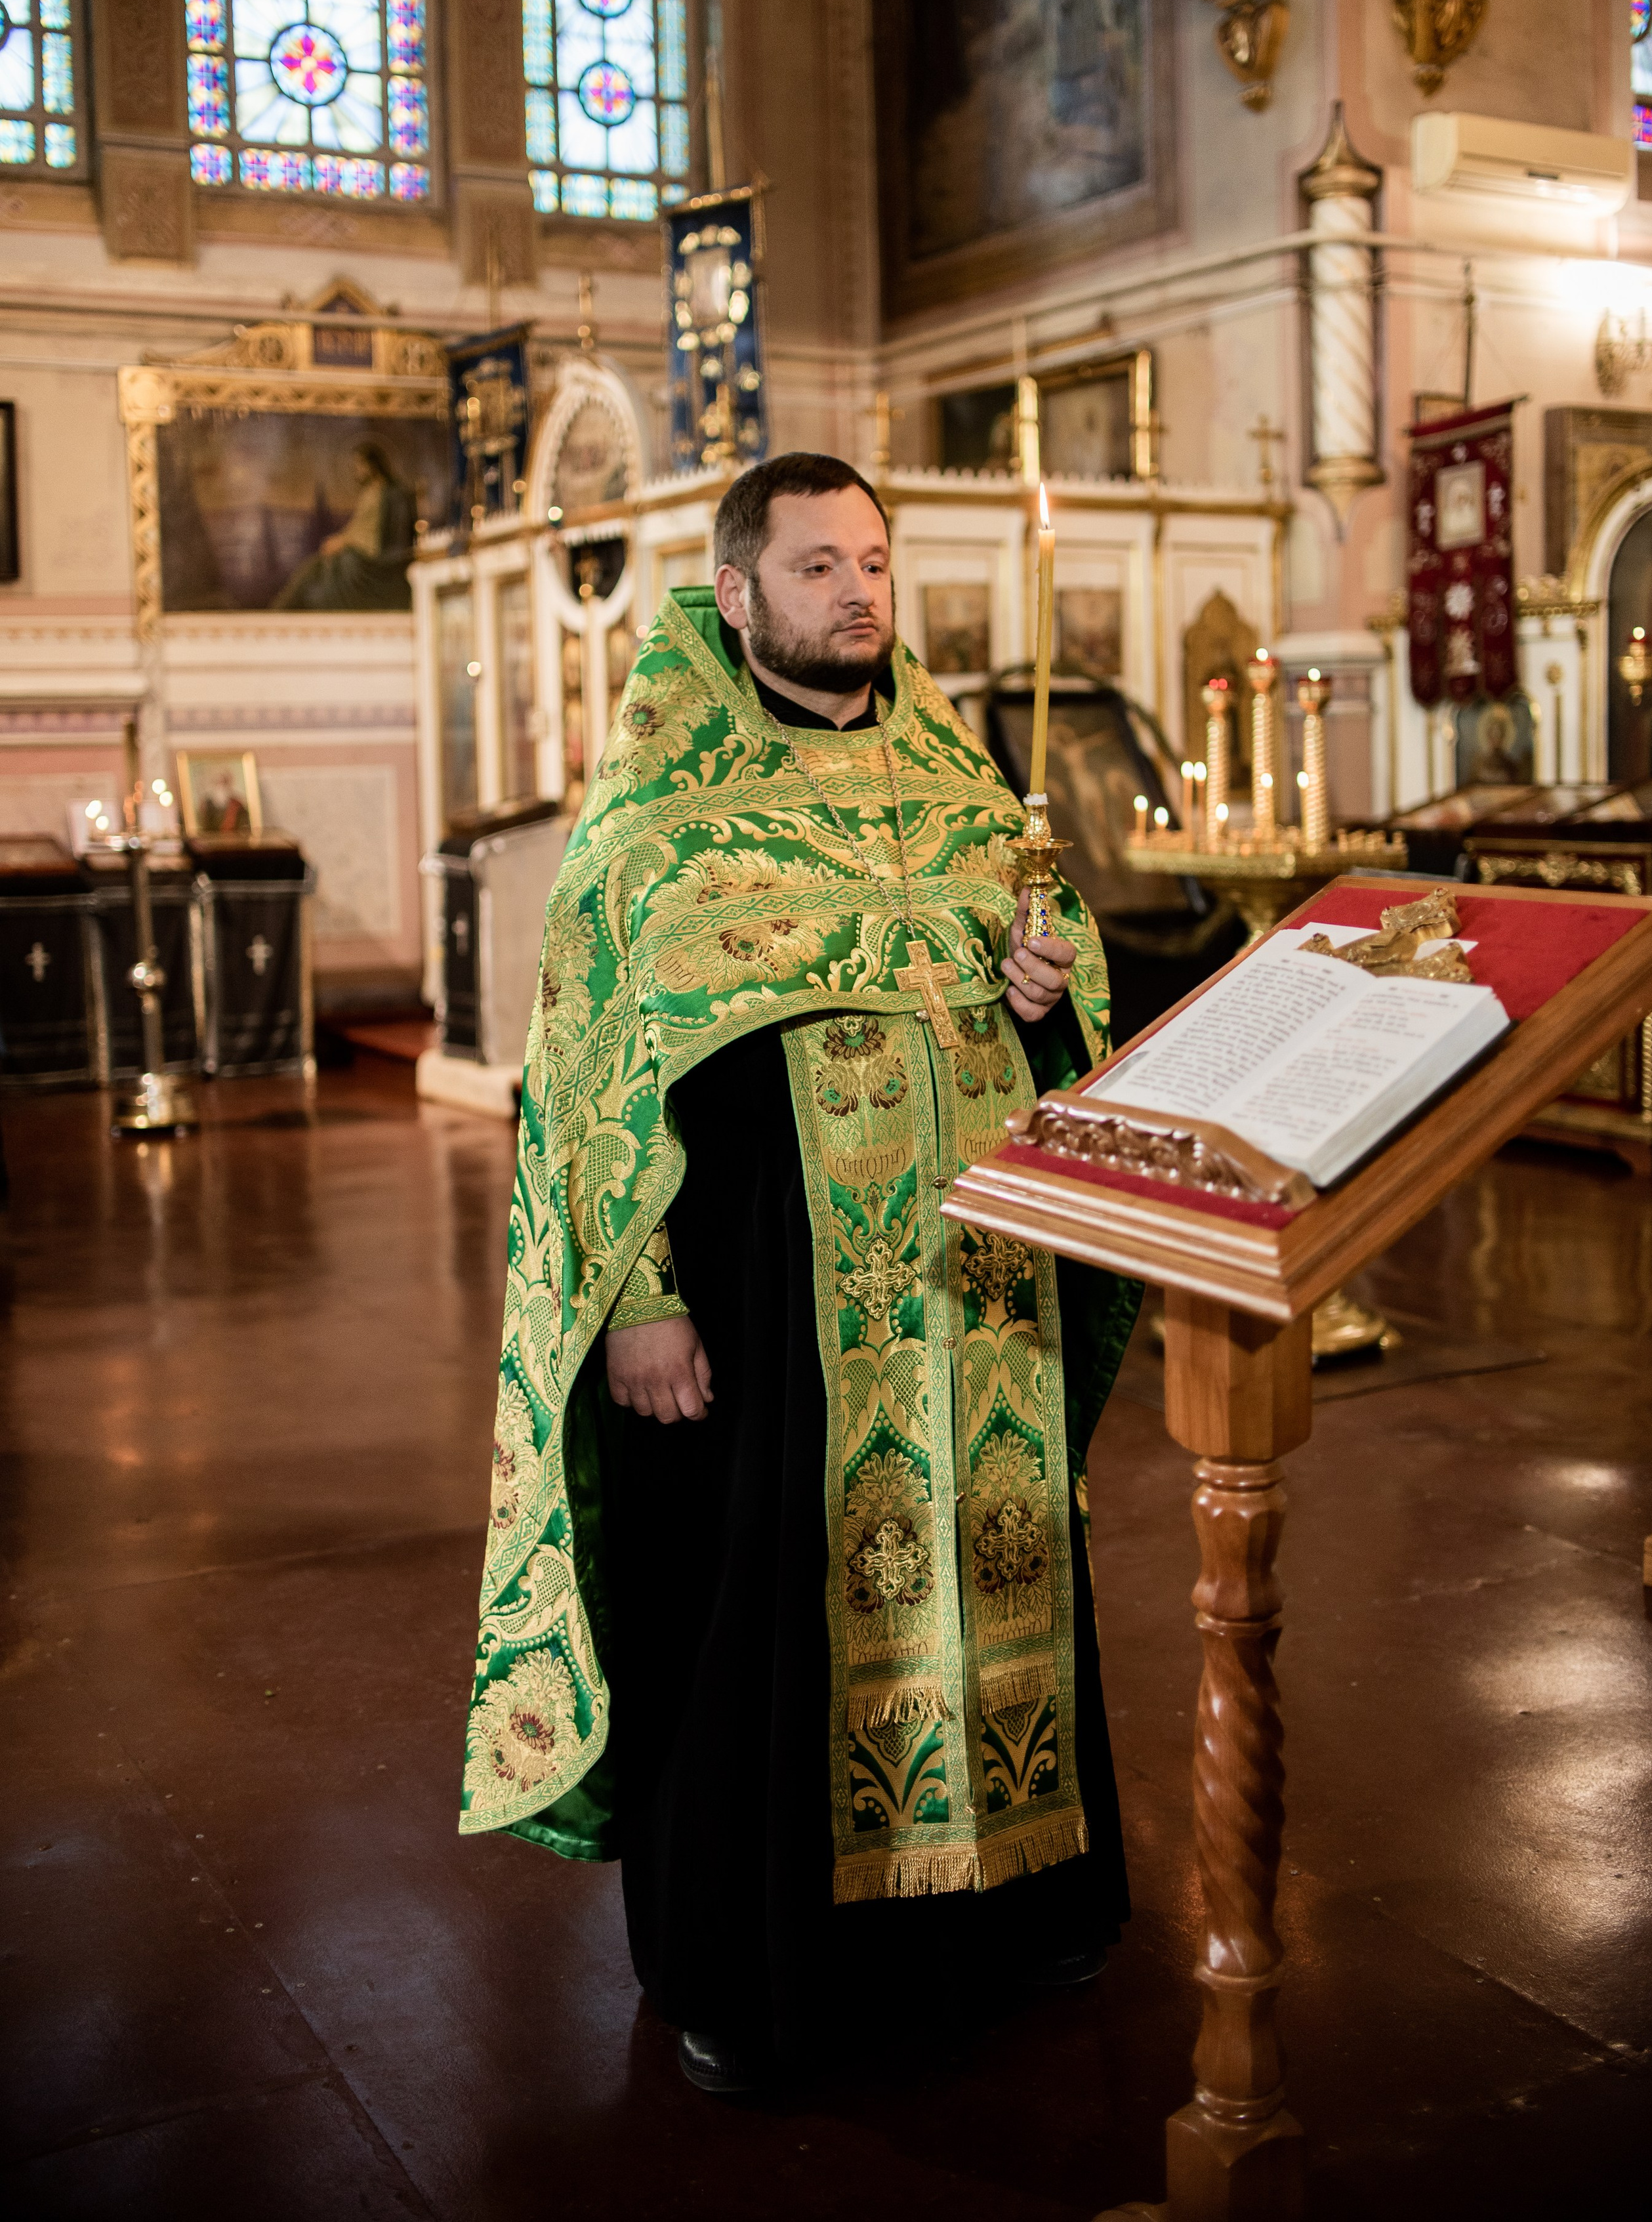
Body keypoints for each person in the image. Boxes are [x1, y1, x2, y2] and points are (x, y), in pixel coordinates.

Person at [459, 453, 1142, 2092]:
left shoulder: (963, 787)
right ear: (740, 590)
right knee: (759, 1608)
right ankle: (746, 1959)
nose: (855, 591)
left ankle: (1002, 1910)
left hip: (971, 1290)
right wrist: (638, 1299)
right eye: (818, 564)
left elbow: (1049, 1007)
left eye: (874, 561)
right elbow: (590, 1073)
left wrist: (1045, 989)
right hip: (767, 1308)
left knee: (996, 1573)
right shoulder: (650, 815)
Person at [270, 442, 416, 612]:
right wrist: (341, 540)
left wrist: (344, 542)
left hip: (372, 556)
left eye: (360, 465)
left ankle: (291, 605)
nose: (357, 471)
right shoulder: (371, 492)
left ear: (372, 465)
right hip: (358, 548)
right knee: (312, 569)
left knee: (337, 565)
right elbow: (358, 526)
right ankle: (283, 606)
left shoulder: (392, 493)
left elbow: (378, 534)